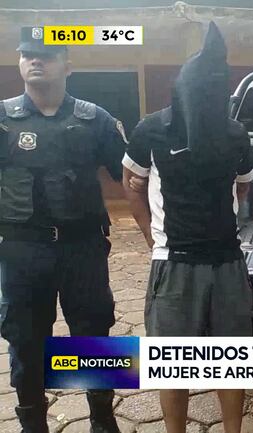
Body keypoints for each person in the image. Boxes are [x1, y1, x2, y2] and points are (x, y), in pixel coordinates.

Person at [122, 22, 253, 433]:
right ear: (181, 86)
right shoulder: (152, 129)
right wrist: (151, 236)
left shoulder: (235, 134)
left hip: (228, 263)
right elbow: (130, 181)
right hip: (174, 263)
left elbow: (243, 186)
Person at [0, 27, 126, 433]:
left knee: (94, 333)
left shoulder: (95, 119)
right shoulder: (3, 119)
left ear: (67, 67)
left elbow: (131, 175)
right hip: (21, 250)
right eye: (27, 55)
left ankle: (102, 419)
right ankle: (32, 423)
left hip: (82, 247)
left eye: (47, 55)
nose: (35, 61)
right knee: (25, 337)